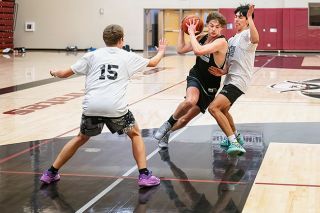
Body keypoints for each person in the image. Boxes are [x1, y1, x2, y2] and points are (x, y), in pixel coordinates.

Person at [40, 24, 167, 187]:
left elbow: (64, 73)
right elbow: (154, 62)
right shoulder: (127, 56)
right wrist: (162, 50)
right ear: (121, 40)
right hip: (115, 108)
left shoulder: (92, 55)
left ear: (104, 40)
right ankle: (144, 175)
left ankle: (51, 172)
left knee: (81, 137)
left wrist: (53, 72)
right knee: (135, 134)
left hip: (92, 106)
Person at [154, 11, 228, 148]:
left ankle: (167, 133)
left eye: (217, 27)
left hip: (210, 85)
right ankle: (168, 123)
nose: (213, 29)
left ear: (221, 28)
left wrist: (192, 33)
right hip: (196, 75)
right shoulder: (201, 37)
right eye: (211, 26)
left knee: (185, 119)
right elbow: (181, 49)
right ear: (207, 25)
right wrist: (183, 29)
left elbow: (199, 51)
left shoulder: (221, 42)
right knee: (190, 101)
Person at [208, 4, 259, 155]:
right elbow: (230, 62)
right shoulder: (232, 40)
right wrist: (223, 71)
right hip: (231, 79)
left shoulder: (247, 34)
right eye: (236, 16)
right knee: (223, 110)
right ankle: (236, 136)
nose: (236, 19)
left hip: (239, 80)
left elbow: (256, 39)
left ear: (247, 20)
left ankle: (234, 142)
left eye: (240, 17)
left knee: (213, 108)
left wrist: (250, 16)